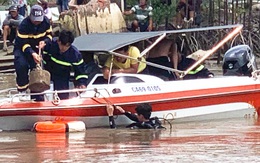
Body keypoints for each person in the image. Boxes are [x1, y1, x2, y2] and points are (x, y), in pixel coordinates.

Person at [13, 4, 52, 101]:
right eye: (35, 20)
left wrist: (45, 42)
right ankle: (22, 90)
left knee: (37, 68)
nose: (36, 22)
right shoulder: (24, 25)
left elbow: (49, 35)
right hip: (22, 48)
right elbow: (23, 43)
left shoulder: (46, 22)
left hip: (37, 47)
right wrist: (32, 53)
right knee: (21, 65)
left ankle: (37, 94)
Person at [43, 30, 88, 100]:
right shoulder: (50, 45)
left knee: (62, 99)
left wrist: (82, 83)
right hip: (47, 75)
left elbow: (81, 71)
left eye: (67, 46)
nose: (64, 48)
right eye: (62, 45)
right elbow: (43, 57)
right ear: (58, 41)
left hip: (62, 78)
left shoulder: (75, 55)